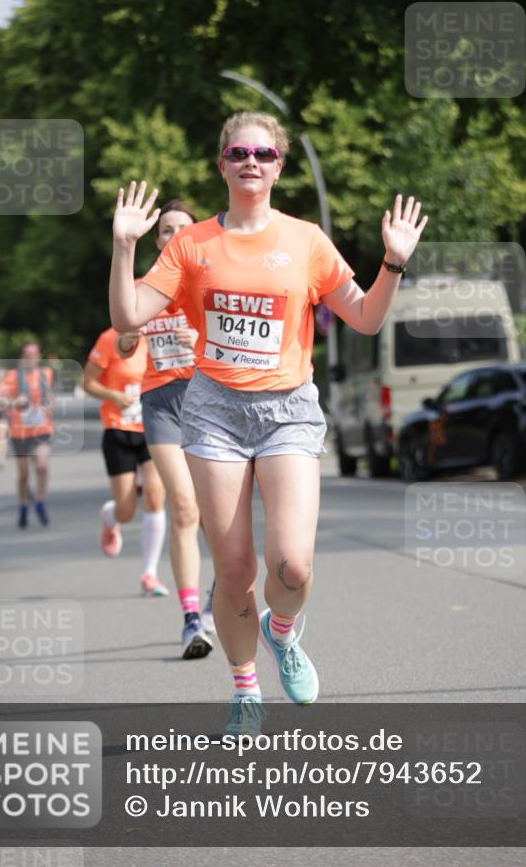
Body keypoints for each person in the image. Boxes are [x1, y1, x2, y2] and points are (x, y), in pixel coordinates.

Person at [109, 110, 428, 733]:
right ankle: (246, 688)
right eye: (237, 152)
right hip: (214, 414)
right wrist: (124, 246)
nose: (250, 161)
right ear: (221, 163)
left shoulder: (306, 239)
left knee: (293, 566)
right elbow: (128, 317)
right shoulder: (191, 243)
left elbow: (363, 318)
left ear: (280, 165)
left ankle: (282, 634)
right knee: (233, 572)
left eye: (264, 153)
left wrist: (393, 263)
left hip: (287, 412)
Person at [118, 200, 214, 659]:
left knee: (218, 518)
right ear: (157, 240)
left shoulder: (208, 285)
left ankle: (221, 594)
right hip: (160, 403)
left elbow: (238, 341)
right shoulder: (143, 287)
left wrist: (200, 340)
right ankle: (192, 619)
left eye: (181, 228)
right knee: (183, 506)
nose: (172, 234)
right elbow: (122, 339)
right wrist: (127, 338)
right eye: (165, 229)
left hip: (208, 402)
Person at [83, 320, 169, 597]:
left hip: (153, 428)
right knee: (127, 509)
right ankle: (111, 517)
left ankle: (150, 573)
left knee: (155, 497)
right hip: (119, 430)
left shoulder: (162, 336)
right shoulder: (110, 339)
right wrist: (113, 395)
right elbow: (88, 382)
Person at [3, 341, 54, 528]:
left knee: (42, 467)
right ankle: (23, 505)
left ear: (39, 356)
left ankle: (40, 501)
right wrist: (17, 401)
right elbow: (4, 402)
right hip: (20, 431)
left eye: (34, 354)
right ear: (22, 357)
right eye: (27, 355)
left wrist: (50, 404)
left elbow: (50, 397)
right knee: (24, 474)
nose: (31, 358)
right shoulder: (12, 377)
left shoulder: (46, 374)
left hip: (42, 428)